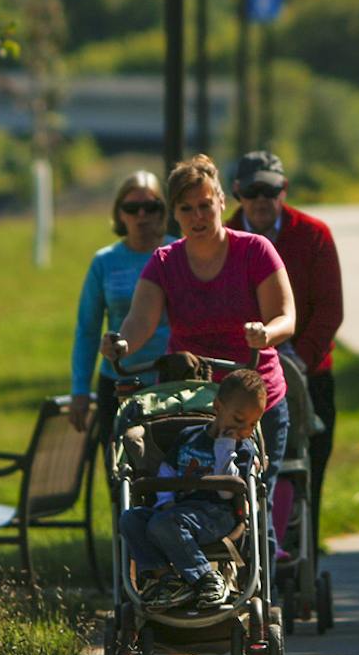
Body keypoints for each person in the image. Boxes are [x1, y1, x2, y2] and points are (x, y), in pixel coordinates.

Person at [102, 154, 298, 543]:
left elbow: (285, 317)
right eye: (186, 209)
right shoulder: (164, 262)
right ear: (174, 214)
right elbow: (140, 321)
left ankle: (262, 591)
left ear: (222, 202)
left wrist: (265, 333)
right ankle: (185, 578)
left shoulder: (254, 251)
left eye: (205, 205)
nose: (198, 217)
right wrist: (121, 344)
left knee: (253, 504)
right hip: (193, 401)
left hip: (251, 400)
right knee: (183, 494)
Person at [229, 149, 343, 537]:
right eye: (253, 190)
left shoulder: (313, 235)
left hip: (306, 372)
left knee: (309, 459)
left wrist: (302, 358)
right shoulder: (221, 237)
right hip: (239, 373)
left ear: (284, 190)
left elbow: (330, 309)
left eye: (271, 190)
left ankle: (306, 539)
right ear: (237, 191)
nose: (262, 200)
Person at [117, 368, 269, 611]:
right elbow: (168, 468)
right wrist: (164, 500)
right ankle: (167, 579)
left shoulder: (242, 448)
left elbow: (227, 492)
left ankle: (206, 578)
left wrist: (225, 448)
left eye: (253, 423)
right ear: (218, 407)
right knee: (130, 519)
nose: (245, 430)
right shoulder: (189, 436)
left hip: (217, 514)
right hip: (177, 511)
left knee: (163, 524)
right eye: (239, 420)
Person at [68, 171, 174, 440]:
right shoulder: (104, 262)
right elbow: (87, 330)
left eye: (150, 207)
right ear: (120, 214)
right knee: (121, 473)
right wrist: (80, 389)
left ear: (162, 212)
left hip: (172, 381)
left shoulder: (178, 253)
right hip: (118, 381)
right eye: (132, 208)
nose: (141, 215)